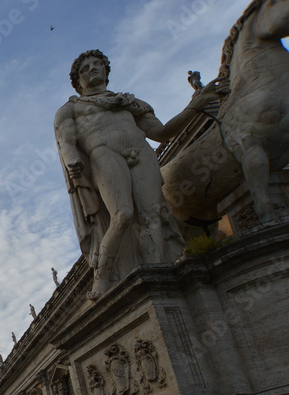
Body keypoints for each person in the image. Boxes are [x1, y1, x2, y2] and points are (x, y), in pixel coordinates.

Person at [54, 50, 218, 299]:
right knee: (122, 214)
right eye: (85, 68)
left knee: (154, 215)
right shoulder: (71, 109)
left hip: (141, 151)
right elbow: (66, 141)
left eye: (98, 64)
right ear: (77, 81)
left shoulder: (130, 103)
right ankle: (102, 278)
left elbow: (161, 133)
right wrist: (71, 159)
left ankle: (158, 271)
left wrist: (195, 107)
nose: (93, 69)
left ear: (107, 72)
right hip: (104, 153)